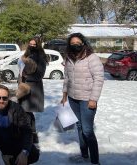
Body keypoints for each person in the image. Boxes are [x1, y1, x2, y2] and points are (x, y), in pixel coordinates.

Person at [60, 33, 104, 165]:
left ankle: (95, 161)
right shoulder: (68, 58)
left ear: (83, 43)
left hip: (87, 99)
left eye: (77, 43)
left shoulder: (92, 58)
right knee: (79, 126)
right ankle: (84, 154)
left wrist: (93, 99)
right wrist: (64, 95)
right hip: (73, 98)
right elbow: (66, 78)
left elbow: (99, 79)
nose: (75, 45)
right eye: (72, 43)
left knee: (87, 130)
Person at [16, 36, 49, 144]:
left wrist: (26, 78)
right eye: (30, 44)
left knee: (27, 111)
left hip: (33, 88)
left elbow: (39, 75)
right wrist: (20, 78)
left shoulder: (41, 57)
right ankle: (30, 134)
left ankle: (30, 135)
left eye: (34, 44)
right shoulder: (26, 55)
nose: (32, 46)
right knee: (25, 111)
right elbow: (22, 69)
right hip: (23, 87)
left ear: (38, 45)